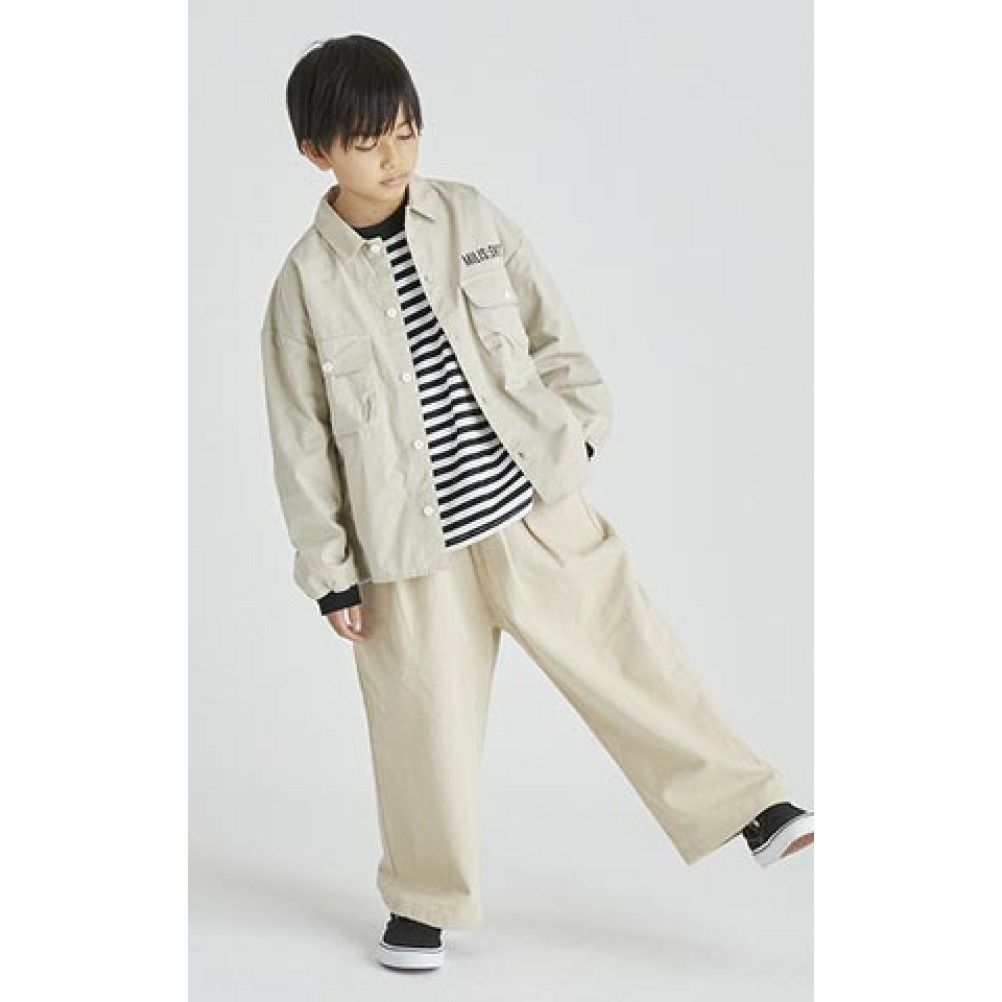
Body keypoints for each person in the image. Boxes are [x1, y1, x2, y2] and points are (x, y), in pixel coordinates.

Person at [261, 33, 813, 973]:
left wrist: (578, 433)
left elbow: (552, 327)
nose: (393, 157)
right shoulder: (303, 286)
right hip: (408, 553)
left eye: (406, 132)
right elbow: (300, 440)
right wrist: (331, 572)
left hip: (532, 508)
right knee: (422, 728)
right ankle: (423, 903)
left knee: (631, 656)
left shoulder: (471, 216)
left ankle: (751, 806)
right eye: (367, 142)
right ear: (317, 152)